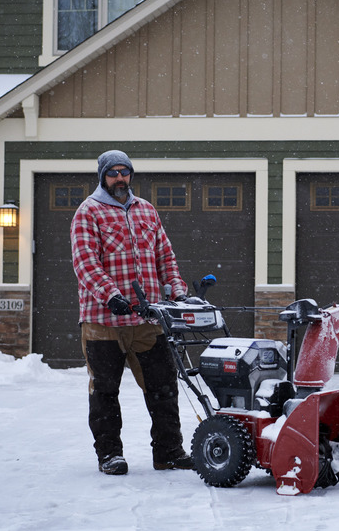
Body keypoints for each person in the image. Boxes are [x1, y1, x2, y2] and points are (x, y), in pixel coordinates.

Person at [71, 149, 193, 475]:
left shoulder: (147, 211)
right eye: (113, 173)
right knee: (105, 391)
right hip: (103, 322)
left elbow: (165, 257)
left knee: (163, 387)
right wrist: (110, 295)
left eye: (125, 172)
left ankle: (168, 451)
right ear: (102, 176)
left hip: (147, 320)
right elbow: (86, 263)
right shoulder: (88, 212)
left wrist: (178, 292)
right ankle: (110, 455)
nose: (120, 178)